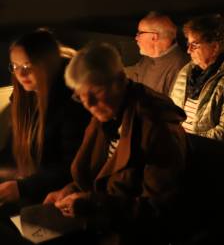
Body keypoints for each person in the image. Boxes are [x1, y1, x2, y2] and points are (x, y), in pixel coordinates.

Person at [43, 42, 188, 244]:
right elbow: (100, 174)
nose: (89, 105)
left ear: (120, 80)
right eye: (81, 97)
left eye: (95, 92)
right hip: (102, 224)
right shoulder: (106, 114)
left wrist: (93, 203)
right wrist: (71, 191)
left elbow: (159, 209)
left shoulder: (157, 126)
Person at [0, 30, 88, 209]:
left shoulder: (72, 102)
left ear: (46, 64)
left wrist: (22, 188)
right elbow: (12, 150)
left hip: (57, 197)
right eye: (15, 66)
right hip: (33, 186)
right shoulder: (23, 97)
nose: (20, 75)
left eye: (27, 66)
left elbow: (73, 167)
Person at [170, 15, 224, 144]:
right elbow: (173, 113)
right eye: (188, 44)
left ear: (215, 47)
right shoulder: (187, 71)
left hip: (215, 157)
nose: (188, 51)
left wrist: (188, 142)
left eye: (194, 44)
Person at [126, 12, 189, 95]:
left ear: (154, 37)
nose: (136, 38)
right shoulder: (146, 60)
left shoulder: (180, 67)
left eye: (140, 33)